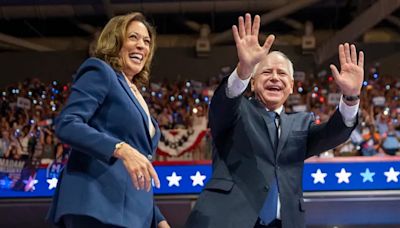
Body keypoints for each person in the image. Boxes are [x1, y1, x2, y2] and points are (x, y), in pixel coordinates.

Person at [185, 14, 363, 228]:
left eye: (282, 74)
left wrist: (351, 97)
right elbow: (224, 104)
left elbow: (336, 133)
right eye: (267, 72)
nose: (275, 78)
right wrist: (244, 69)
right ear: (252, 83)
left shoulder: (301, 123)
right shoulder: (236, 111)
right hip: (228, 220)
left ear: (290, 87)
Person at [47, 12, 170, 228]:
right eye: (133, 37)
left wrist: (158, 219)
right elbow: (67, 123)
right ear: (115, 41)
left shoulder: (136, 93)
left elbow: (137, 169)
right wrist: (120, 148)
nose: (141, 45)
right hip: (96, 205)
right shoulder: (101, 71)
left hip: (131, 213)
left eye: (146, 41)